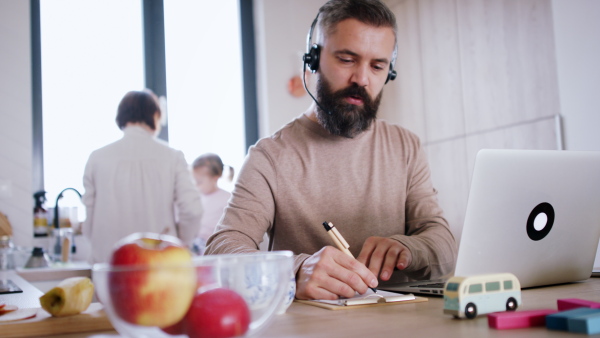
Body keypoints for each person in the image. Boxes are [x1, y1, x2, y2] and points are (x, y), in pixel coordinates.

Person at [205, 0, 457, 300]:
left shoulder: (406, 147)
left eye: (377, 66)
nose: (362, 79)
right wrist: (296, 271)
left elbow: (443, 247)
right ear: (313, 59)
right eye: (347, 59)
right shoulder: (269, 157)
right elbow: (222, 251)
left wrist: (409, 249)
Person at [81, 89, 203, 263]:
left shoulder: (97, 157)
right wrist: (182, 242)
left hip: (107, 264)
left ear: (122, 116)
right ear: (155, 115)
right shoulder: (172, 156)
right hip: (159, 262)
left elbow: (88, 219)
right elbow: (192, 209)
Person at [191, 153, 234, 254]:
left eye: (199, 182)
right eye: (194, 181)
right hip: (195, 245)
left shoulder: (227, 199)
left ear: (215, 178)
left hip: (213, 247)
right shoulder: (196, 198)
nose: (196, 185)